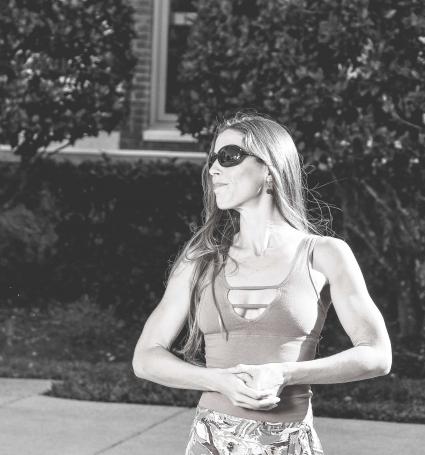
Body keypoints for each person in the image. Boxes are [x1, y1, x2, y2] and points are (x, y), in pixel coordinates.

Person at [132, 112, 392, 454]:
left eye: (229, 157)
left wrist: (284, 373)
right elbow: (145, 358)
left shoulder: (325, 254)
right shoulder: (201, 260)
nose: (213, 170)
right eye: (213, 160)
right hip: (211, 444)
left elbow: (377, 355)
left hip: (290, 443)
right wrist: (217, 380)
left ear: (269, 168)